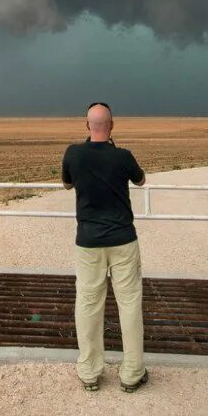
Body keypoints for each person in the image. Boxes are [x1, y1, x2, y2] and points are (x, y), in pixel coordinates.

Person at [61, 102, 148, 392]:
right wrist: (115, 152)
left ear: (87, 126)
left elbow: (67, 185)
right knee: (130, 305)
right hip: (123, 240)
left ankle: (89, 372)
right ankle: (132, 373)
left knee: (87, 304)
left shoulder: (73, 153)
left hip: (88, 242)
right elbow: (141, 179)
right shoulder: (122, 156)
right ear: (112, 126)